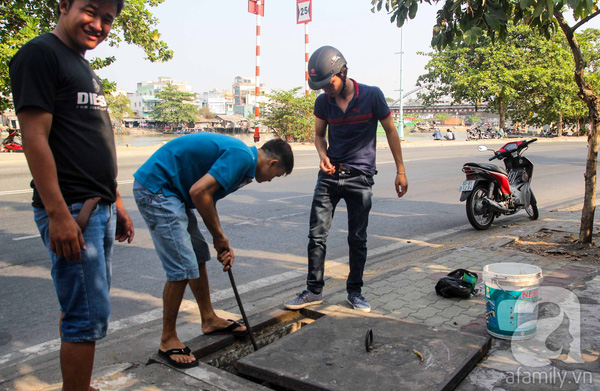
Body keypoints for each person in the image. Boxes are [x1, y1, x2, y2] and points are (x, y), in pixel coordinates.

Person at [9, 1, 135, 390]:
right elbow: (34, 138)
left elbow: (89, 141)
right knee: (86, 316)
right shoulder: (40, 55)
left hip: (97, 207)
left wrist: (116, 201)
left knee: (83, 310)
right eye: (90, 11)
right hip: (73, 210)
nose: (98, 25)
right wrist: (59, 213)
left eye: (108, 20)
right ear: (63, 5)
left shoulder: (81, 66)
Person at [133, 133, 293, 368]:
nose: (271, 180)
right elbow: (199, 192)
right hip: (157, 189)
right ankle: (167, 339)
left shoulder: (244, 162)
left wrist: (220, 240)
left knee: (197, 253)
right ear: (272, 163)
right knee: (182, 265)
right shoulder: (242, 157)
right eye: (275, 175)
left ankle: (208, 319)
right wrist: (218, 237)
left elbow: (208, 197)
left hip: (174, 194)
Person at [284, 45, 408, 313]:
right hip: (329, 176)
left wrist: (401, 170)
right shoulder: (322, 102)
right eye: (320, 86)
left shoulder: (372, 96)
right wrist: (322, 155)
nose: (325, 90)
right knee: (316, 235)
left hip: (360, 177)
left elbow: (390, 131)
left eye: (328, 83)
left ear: (343, 72)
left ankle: (355, 292)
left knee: (357, 238)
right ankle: (314, 291)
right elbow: (319, 135)